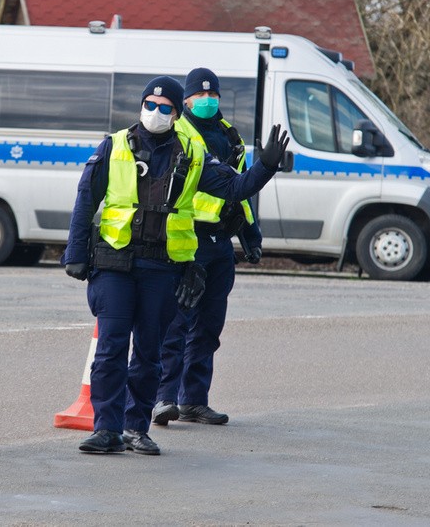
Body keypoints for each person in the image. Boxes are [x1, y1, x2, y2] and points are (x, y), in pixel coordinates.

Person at [63, 75, 288, 456]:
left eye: (164, 107)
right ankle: (106, 429)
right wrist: (75, 254)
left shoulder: (192, 154)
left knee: (149, 353)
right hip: (115, 263)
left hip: (162, 267)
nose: (156, 112)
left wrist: (264, 167)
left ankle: (137, 428)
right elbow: (86, 200)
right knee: (112, 349)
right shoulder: (114, 145)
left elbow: (234, 189)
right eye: (149, 105)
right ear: (141, 106)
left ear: (176, 110)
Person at [152, 68, 261, 427]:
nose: (206, 99)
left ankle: (194, 401)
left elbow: (241, 188)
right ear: (185, 101)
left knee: (209, 326)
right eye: (199, 95)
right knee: (176, 322)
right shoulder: (179, 133)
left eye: (212, 94)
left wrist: (250, 232)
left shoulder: (230, 135)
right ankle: (163, 398)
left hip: (220, 242)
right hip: (188, 238)